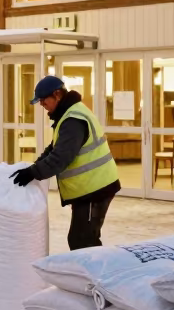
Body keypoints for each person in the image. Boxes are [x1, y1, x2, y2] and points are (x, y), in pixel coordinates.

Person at [10, 75, 120, 250]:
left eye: (43, 100)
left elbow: (60, 158)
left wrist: (33, 172)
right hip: (88, 188)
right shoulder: (68, 114)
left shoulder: (73, 119)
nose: (42, 105)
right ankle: (90, 274)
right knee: (82, 239)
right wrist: (34, 166)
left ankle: (96, 276)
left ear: (57, 94)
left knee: (83, 240)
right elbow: (54, 148)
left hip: (95, 189)